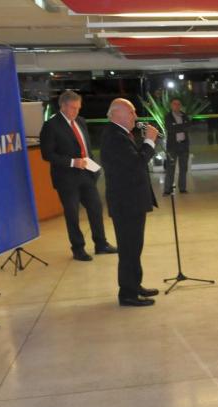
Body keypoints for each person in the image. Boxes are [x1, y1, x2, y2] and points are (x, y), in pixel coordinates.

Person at [39, 89, 117, 261]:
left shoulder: (80, 121)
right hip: (66, 178)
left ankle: (101, 244)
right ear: (63, 106)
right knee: (72, 215)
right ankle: (78, 248)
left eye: (78, 108)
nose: (77, 111)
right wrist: (73, 162)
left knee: (96, 209)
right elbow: (47, 154)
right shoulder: (51, 126)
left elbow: (86, 148)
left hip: (86, 175)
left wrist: (94, 168)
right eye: (74, 108)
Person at [99, 98, 160, 307]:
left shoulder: (121, 133)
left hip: (131, 201)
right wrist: (150, 141)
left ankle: (135, 285)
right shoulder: (115, 137)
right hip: (126, 203)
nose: (135, 116)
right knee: (128, 250)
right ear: (117, 115)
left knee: (135, 247)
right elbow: (136, 163)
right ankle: (127, 294)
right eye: (131, 113)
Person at [163, 98, 191, 196]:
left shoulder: (184, 115)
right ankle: (167, 190)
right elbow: (170, 129)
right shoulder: (168, 116)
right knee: (170, 169)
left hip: (184, 145)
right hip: (172, 147)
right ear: (171, 105)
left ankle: (182, 189)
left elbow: (188, 126)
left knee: (184, 168)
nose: (177, 106)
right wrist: (182, 127)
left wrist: (178, 126)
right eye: (175, 104)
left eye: (178, 104)